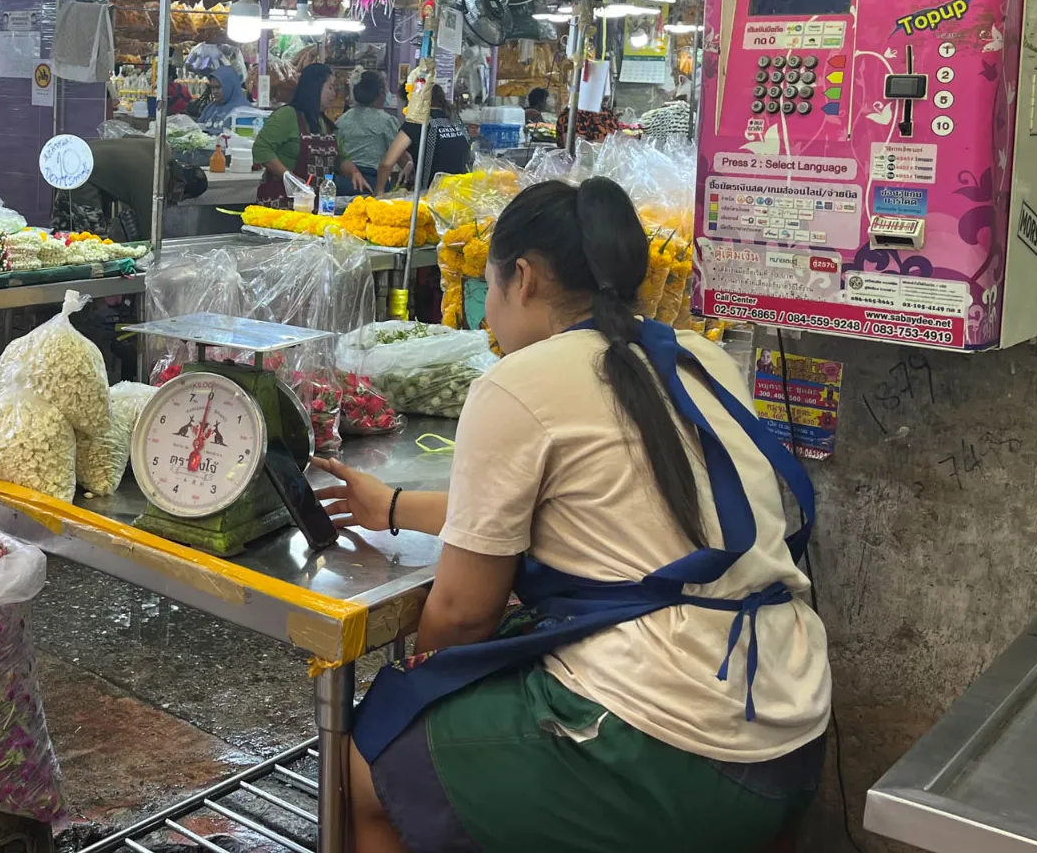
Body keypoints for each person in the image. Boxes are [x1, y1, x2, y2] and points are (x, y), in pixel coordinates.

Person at [312, 177, 829, 853]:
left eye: (490, 289)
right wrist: (395, 508)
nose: (488, 318)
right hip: (792, 726)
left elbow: (464, 613)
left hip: (672, 748)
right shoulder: (699, 355)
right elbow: (598, 505)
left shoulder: (517, 382)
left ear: (522, 278)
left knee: (375, 759)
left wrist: (425, 689)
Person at [252, 63, 364, 203]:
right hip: (282, 201)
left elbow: (340, 157)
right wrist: (290, 178)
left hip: (313, 203)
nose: (333, 94)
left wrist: (354, 172)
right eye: (330, 87)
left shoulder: (325, 123)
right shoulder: (287, 115)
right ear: (314, 88)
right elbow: (261, 149)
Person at [372, 85, 470, 196]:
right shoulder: (455, 119)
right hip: (461, 194)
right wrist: (411, 164)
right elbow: (448, 152)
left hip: (432, 197)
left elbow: (387, 164)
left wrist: (379, 190)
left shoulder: (417, 122)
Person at [338, 71, 401, 194]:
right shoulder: (386, 121)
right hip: (374, 183)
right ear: (381, 93)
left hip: (344, 182)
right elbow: (399, 155)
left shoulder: (342, 120)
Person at [197, 62, 252, 132]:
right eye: (212, 87)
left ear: (230, 86)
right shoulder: (210, 108)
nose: (214, 91)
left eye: (218, 87)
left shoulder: (246, 111)